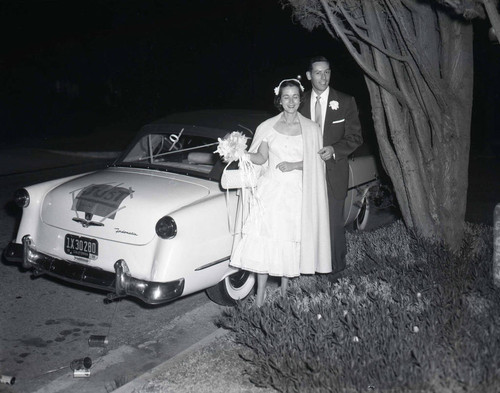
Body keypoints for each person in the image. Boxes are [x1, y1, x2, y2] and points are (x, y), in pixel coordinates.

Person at [230, 78, 331, 307]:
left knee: (290, 240)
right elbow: (262, 157)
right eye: (286, 97)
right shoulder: (267, 127)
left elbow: (317, 164)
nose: (291, 101)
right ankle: (260, 296)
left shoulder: (311, 129)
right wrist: (241, 154)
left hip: (296, 192)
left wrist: (294, 165)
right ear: (279, 99)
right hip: (271, 192)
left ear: (300, 98)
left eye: (295, 96)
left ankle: (285, 292)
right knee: (266, 241)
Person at [299, 56, 363, 279]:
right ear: (309, 76)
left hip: (334, 170)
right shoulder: (299, 102)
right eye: (318, 73)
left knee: (333, 223)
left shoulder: (345, 101)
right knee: (308, 221)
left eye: (327, 72)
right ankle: (309, 267)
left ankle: (336, 270)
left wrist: (334, 150)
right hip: (305, 173)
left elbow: (356, 137)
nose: (323, 77)